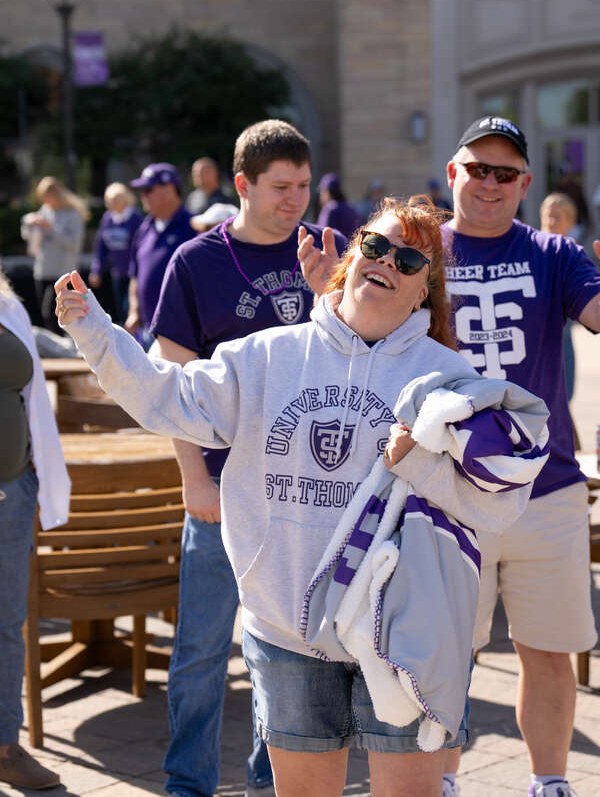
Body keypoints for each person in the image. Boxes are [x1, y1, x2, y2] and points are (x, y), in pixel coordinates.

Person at [55, 194, 548, 797]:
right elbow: (168, 399)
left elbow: (499, 502)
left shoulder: (450, 381)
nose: (388, 262)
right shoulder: (266, 356)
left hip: (405, 633)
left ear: (425, 290)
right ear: (352, 258)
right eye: (376, 245)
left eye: (410, 261)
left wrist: (421, 465)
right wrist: (93, 328)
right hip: (289, 628)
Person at [298, 116, 600, 797]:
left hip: (542, 487)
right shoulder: (418, 251)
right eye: (476, 168)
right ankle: (445, 782)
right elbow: (356, 333)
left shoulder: (554, 253)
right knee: (441, 650)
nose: (489, 183)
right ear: (453, 173)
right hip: (438, 487)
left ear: (525, 183)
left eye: (504, 172)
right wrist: (325, 295)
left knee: (548, 651)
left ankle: (550, 781)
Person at [149, 120, 346, 797]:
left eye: (302, 186)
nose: (296, 201)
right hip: (222, 487)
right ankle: (187, 784)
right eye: (280, 188)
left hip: (306, 488)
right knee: (203, 649)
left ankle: (274, 777)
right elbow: (171, 377)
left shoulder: (329, 250)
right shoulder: (195, 262)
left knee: (290, 650)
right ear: (242, 186)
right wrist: (191, 475)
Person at [0, 268, 71, 791]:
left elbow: (35, 402)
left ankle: (4, 748)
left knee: (6, 623)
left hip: (12, 490)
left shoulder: (8, 304)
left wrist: (41, 484)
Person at [125, 163, 196, 347]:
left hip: (185, 334)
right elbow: (135, 276)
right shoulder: (144, 228)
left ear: (169, 189)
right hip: (148, 330)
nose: (143, 196)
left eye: (148, 189)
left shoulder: (193, 227)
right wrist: (134, 311)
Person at [21, 176, 88, 335]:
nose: (45, 201)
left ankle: (62, 346)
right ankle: (56, 347)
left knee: (54, 311)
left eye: (47, 196)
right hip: (42, 270)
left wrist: (51, 229)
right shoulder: (45, 210)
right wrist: (28, 222)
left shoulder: (73, 214)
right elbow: (26, 235)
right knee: (46, 313)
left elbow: (74, 244)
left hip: (62, 272)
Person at [539, 193, 578, 402]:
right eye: (547, 216)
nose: (551, 222)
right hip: (533, 339)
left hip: (562, 338)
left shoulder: (573, 254)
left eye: (557, 217)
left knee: (563, 398)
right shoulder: (531, 250)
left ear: (570, 222)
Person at [88, 182, 143, 324]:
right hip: (117, 273)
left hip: (134, 275)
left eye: (115, 200)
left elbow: (141, 247)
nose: (111, 204)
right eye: (109, 201)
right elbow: (101, 247)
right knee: (121, 313)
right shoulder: (107, 219)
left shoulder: (136, 218)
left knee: (131, 310)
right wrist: (97, 270)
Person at [317, 172, 361, 240]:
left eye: (322, 191)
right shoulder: (351, 207)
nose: (321, 195)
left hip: (335, 249)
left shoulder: (330, 208)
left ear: (327, 192)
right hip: (353, 249)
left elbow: (322, 235)